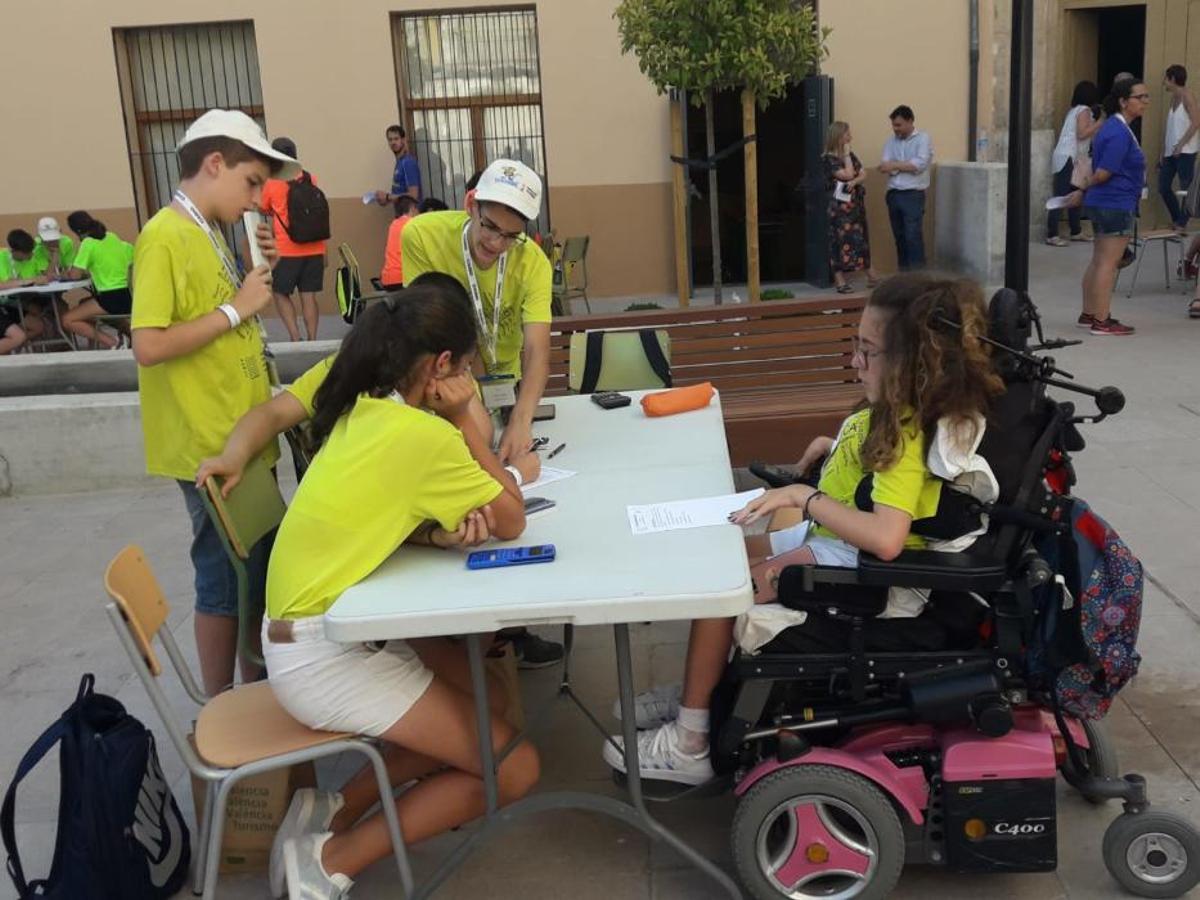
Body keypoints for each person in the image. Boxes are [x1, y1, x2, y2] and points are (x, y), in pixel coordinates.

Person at [602, 274, 1004, 785]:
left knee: (721, 587)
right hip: (836, 547)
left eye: (867, 351)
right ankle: (698, 688)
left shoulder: (906, 435)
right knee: (721, 551)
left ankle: (691, 739)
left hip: (863, 572)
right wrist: (831, 449)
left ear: (912, 362)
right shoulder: (902, 413)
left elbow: (887, 538)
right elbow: (881, 484)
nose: (855, 362)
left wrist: (804, 497)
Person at [257, 284, 540, 900]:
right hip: (321, 653)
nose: (469, 383)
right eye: (466, 370)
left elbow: (377, 513)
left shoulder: (366, 409)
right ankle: (329, 860)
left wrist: (436, 536)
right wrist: (463, 422)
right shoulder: (426, 435)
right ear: (443, 367)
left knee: (489, 697)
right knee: (514, 765)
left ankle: (333, 808)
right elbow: (513, 517)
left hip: (310, 624)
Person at [131, 108, 299, 697]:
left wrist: (253, 277)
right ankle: (219, 707)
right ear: (214, 164)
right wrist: (236, 308)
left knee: (255, 576)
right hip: (209, 445)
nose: (255, 200)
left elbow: (226, 316)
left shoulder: (208, 233)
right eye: (251, 183)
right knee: (225, 583)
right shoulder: (165, 236)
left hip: (243, 434)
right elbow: (149, 345)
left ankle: (256, 690)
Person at [402, 158, 553, 464]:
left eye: (511, 236)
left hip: (506, 384)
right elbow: (426, 330)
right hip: (448, 369)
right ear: (471, 205)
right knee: (479, 441)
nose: (496, 243)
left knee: (497, 442)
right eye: (490, 227)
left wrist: (521, 421)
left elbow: (537, 348)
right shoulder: (421, 236)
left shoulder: (533, 262)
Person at [1077, 77, 1149, 336]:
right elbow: (1104, 172)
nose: (1145, 102)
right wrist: (1084, 186)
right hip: (1115, 203)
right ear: (1123, 101)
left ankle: (1089, 314)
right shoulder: (1118, 132)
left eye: (1146, 96)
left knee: (1099, 261)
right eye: (1140, 97)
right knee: (1108, 263)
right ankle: (1102, 320)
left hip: (1106, 202)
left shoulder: (1112, 128)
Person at [260, 136, 326, 342]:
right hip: (314, 247)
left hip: (286, 250)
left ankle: (295, 338)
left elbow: (264, 207)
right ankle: (312, 339)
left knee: (280, 293)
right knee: (309, 295)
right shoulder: (310, 178)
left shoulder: (272, 183)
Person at [60, 211, 134, 349]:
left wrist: (63, 275)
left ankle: (114, 343)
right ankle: (130, 335)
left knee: (67, 320)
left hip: (110, 298)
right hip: (128, 295)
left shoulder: (88, 243)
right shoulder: (112, 237)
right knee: (83, 303)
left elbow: (75, 275)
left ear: (77, 232)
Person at [823, 121, 879, 292]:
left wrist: (855, 182)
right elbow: (847, 174)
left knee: (861, 240)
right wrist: (847, 156)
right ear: (838, 136)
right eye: (847, 134)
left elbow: (862, 173)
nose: (850, 138)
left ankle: (872, 277)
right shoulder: (829, 159)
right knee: (839, 242)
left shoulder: (851, 155)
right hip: (840, 210)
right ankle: (840, 281)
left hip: (855, 206)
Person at [1048, 81, 1102, 245]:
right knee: (1062, 195)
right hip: (1069, 157)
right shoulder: (1084, 110)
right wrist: (1099, 124)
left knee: (1076, 192)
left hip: (1072, 158)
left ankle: (1076, 230)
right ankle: (1052, 234)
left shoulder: (1074, 110)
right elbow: (1082, 134)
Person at [879, 105, 933, 270]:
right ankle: (903, 274)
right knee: (900, 237)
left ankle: (918, 276)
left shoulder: (923, 139)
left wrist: (895, 165)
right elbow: (884, 165)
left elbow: (919, 165)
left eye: (899, 125)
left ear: (910, 121)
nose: (895, 129)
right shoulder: (891, 141)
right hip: (893, 194)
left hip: (913, 195)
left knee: (913, 237)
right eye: (894, 125)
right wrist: (903, 165)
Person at [1159, 65, 1200, 231]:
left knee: (1186, 188)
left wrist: (1181, 145)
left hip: (1186, 151)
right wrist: (1163, 151)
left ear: (1173, 79)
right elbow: (1170, 127)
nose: (1164, 82)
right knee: (1163, 187)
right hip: (1170, 151)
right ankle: (1177, 219)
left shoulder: (1187, 96)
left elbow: (1196, 122)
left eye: (1166, 79)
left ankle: (1182, 224)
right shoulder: (1173, 98)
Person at [0, 229, 52, 344]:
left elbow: (43, 276)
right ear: (14, 251)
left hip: (19, 300)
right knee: (36, 311)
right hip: (6, 304)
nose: (30, 255)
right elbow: (4, 284)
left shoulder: (31, 258)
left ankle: (11, 345)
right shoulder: (2, 257)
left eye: (31, 251)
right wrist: (27, 281)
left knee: (39, 326)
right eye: (26, 252)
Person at [375, 124, 421, 215]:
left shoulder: (408, 163)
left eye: (396, 139)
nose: (393, 142)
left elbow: (413, 195)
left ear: (403, 140)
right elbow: (401, 193)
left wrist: (387, 197)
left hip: (410, 216)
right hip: (401, 215)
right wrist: (386, 200)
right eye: (390, 139)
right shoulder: (400, 162)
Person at [379, 195, 419, 290]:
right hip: (403, 278)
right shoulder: (412, 224)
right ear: (412, 208)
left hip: (388, 278)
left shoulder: (394, 224)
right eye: (417, 209)